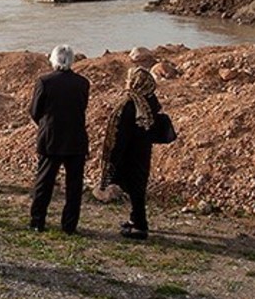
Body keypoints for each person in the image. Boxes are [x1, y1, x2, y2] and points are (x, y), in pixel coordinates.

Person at [28, 44, 91, 234]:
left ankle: (38, 221)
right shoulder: (83, 83)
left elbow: (34, 111)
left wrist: (45, 124)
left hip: (51, 138)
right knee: (74, 185)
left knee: (44, 182)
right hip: (76, 138)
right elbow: (83, 107)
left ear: (53, 59)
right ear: (72, 61)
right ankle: (69, 225)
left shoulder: (44, 82)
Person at [97, 66, 163, 240]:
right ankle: (135, 219)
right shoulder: (150, 101)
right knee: (137, 187)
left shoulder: (130, 104)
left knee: (134, 189)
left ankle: (140, 227)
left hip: (129, 153)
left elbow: (122, 133)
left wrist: (114, 155)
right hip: (143, 152)